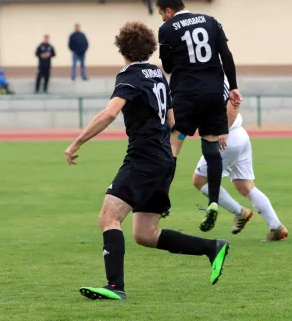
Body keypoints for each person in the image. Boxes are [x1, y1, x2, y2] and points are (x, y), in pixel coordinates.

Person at [64, 22, 230, 301]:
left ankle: (115, 286)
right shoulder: (156, 74)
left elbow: (109, 113)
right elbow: (173, 119)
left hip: (144, 157)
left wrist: (77, 142)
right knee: (145, 233)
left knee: (108, 217)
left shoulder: (129, 76)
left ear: (122, 48)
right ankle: (212, 247)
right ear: (149, 48)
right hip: (163, 158)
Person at [157, 0, 242, 232]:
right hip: (214, 93)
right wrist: (233, 87)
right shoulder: (211, 21)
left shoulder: (167, 29)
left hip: (186, 94)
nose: (162, 18)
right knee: (211, 147)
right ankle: (214, 202)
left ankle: (161, 199)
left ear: (169, 11)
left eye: (161, 14)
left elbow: (168, 66)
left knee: (173, 144)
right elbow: (226, 55)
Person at [192, 77, 288, 242]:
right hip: (239, 135)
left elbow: (231, 105)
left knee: (199, 180)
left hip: (226, 138)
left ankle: (240, 212)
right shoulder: (216, 74)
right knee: (245, 186)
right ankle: (276, 226)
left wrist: (223, 130)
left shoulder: (209, 77)